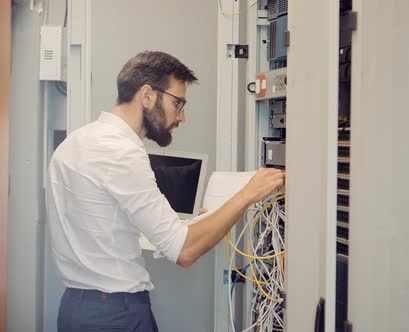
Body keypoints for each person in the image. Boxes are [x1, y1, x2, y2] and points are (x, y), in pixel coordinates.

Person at [46, 51, 284, 331]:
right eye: (178, 103)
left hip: (76, 310)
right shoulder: (121, 153)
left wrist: (200, 224)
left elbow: (105, 226)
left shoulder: (77, 141)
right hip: (116, 316)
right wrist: (248, 193)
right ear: (147, 96)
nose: (181, 117)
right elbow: (183, 251)